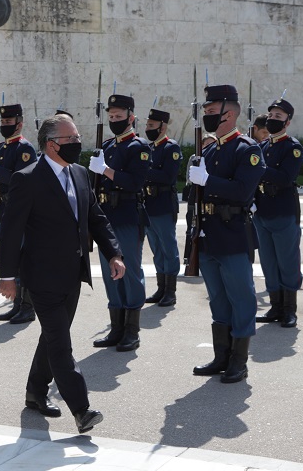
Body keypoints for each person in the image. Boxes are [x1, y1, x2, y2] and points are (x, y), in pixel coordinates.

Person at [0, 114, 124, 433]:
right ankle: (81, 409)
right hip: (41, 277)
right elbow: (11, 231)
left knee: (53, 335)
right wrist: (8, 276)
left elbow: (95, 217)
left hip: (73, 274)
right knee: (60, 342)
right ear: (52, 144)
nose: (78, 143)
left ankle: (35, 392)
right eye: (72, 139)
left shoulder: (79, 173)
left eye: (77, 137)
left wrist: (113, 253)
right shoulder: (27, 178)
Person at [187, 84, 265, 384]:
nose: (206, 116)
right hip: (207, 235)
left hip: (232, 234)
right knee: (217, 299)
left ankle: (239, 360)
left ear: (229, 114)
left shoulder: (248, 149)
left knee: (241, 298)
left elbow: (243, 191)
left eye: (210, 111)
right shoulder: (208, 149)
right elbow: (195, 197)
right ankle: (221, 355)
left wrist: (208, 179)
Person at [88, 94, 150, 352]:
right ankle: (116, 328)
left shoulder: (139, 147)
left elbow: (135, 183)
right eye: (111, 116)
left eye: (119, 116)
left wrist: (105, 170)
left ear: (131, 117)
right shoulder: (107, 146)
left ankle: (131, 331)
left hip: (126, 216)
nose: (114, 120)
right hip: (106, 217)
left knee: (130, 272)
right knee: (109, 271)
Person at [0, 103, 38, 324]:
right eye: (3, 121)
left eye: (9, 121)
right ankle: (17, 304)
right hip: (3, 210)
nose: (5, 125)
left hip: (20, 212)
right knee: (11, 259)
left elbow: (22, 181)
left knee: (23, 259)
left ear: (19, 124)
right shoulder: (0, 148)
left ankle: (28, 307)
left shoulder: (25, 149)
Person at [253, 99, 303, 328]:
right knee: (268, 262)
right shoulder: (263, 146)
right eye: (271, 115)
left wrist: (260, 169)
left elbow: (285, 178)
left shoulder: (292, 147)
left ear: (287, 122)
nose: (273, 119)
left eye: (279, 116)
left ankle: (289, 309)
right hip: (262, 211)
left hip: (283, 212)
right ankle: (275, 306)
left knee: (287, 262)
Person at [142, 108, 182, 308]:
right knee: (156, 249)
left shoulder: (170, 148)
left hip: (163, 204)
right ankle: (161, 288)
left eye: (151, 125)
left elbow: (168, 176)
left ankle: (170, 291)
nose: (147, 128)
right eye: (147, 125)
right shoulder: (149, 148)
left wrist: (143, 171)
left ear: (162, 127)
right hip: (148, 204)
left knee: (168, 248)